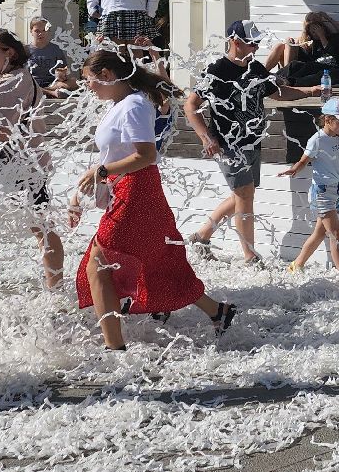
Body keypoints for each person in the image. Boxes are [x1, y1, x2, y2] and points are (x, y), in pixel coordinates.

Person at [73, 48, 233, 350]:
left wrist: (102, 171)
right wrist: (91, 181)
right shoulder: (121, 103)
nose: (87, 88)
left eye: (89, 81)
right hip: (127, 189)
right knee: (156, 259)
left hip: (137, 191)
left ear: (106, 75)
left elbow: (146, 156)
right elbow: (116, 155)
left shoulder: (133, 105)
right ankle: (217, 311)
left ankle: (115, 348)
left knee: (100, 263)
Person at [182, 20, 321, 263]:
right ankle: (250, 257)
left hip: (252, 141)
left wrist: (309, 91)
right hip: (227, 142)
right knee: (245, 194)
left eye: (257, 43)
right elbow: (190, 106)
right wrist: (206, 137)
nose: (256, 48)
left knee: (243, 195)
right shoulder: (216, 71)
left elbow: (277, 92)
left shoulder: (255, 68)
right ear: (236, 42)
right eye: (252, 43)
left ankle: (201, 236)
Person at [0, 31, 63, 295]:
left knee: (41, 226)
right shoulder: (0, 79)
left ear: (9, 53)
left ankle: (55, 289)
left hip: (24, 165)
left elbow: (3, 129)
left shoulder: (16, 80)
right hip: (3, 163)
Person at [279, 97, 339, 281]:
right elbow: (303, 161)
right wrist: (293, 170)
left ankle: (296, 265)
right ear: (327, 120)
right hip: (322, 191)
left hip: (335, 190)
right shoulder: (317, 140)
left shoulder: (338, 139)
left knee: (319, 233)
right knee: (335, 235)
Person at [265, 11, 339, 86]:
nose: (315, 33)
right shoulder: (310, 42)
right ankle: (264, 73)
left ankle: (285, 79)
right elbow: (301, 41)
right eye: (313, 31)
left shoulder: (333, 38)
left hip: (327, 68)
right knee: (286, 49)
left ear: (323, 28)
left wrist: (327, 22)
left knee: (307, 66)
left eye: (317, 29)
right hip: (308, 66)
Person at [26, 16, 76, 97]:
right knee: (24, 84)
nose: (40, 34)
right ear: (31, 31)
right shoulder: (26, 50)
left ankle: (43, 91)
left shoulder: (55, 49)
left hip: (53, 84)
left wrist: (62, 74)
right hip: (32, 82)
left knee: (73, 82)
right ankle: (51, 93)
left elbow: (64, 70)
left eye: (44, 30)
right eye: (37, 31)